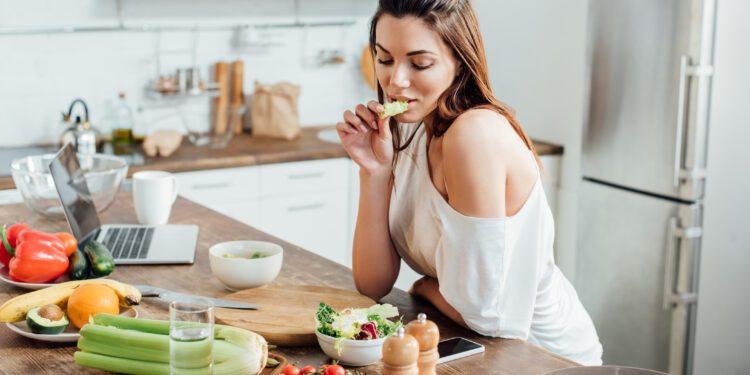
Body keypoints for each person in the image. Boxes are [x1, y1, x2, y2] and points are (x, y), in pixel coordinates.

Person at [336, 0, 602, 366]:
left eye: (420, 63)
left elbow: (487, 316)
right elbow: (372, 284)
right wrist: (374, 171)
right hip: (474, 349)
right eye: (384, 59)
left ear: (459, 60)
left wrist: (422, 287)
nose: (396, 80)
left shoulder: (474, 135)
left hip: (543, 358)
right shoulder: (410, 127)